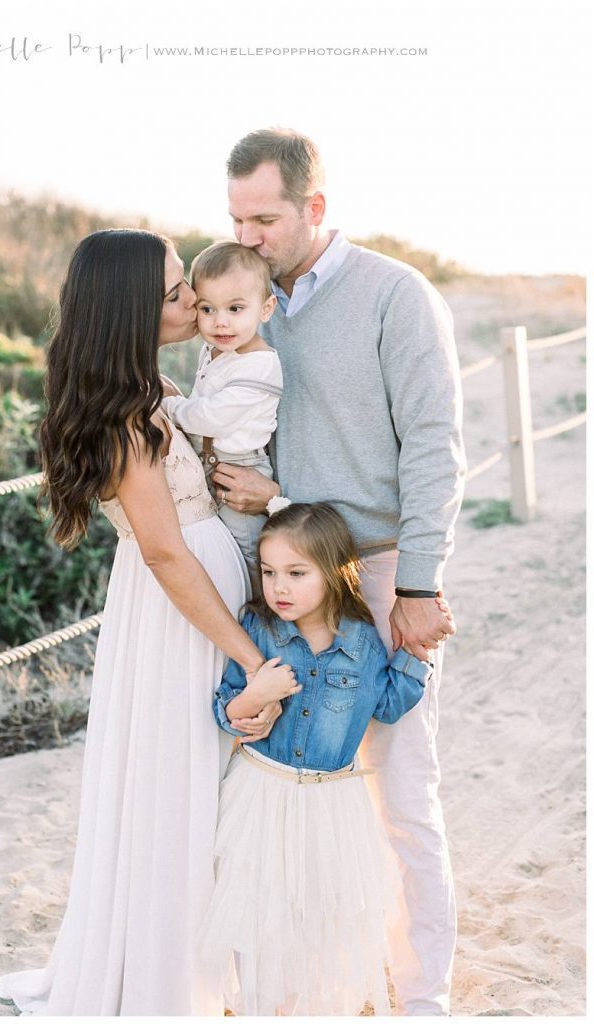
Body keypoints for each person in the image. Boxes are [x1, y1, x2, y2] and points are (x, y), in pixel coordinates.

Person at [0, 229, 292, 1016]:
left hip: (192, 599)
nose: (191, 301)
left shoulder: (152, 387)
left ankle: (201, 961)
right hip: (179, 618)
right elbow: (164, 553)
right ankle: (166, 980)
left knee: (200, 785)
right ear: (129, 309)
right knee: (178, 787)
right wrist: (248, 657)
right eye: (171, 293)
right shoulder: (127, 416)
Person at [211, 128, 466, 1016]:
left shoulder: (395, 295)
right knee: (280, 773)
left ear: (315, 208)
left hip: (382, 573)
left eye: (266, 218)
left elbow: (435, 446)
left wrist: (423, 585)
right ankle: (308, 977)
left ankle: (420, 995)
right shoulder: (247, 305)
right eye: (236, 217)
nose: (247, 236)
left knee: (400, 789)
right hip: (284, 580)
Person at [199, 501, 436, 1015]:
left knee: (322, 912)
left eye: (296, 573)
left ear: (332, 572)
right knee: (262, 906)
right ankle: (263, 1007)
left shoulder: (362, 641)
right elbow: (227, 712)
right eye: (268, 572)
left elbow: (388, 705)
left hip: (332, 804)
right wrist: (257, 691)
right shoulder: (257, 629)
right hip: (263, 791)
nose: (278, 587)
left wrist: (418, 651)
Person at [162, 240, 282, 587]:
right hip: (215, 466)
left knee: (246, 557)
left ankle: (254, 615)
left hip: (241, 468)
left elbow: (212, 417)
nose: (221, 323)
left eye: (235, 308)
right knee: (217, 554)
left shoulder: (259, 365)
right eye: (207, 309)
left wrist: (170, 406)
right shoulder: (217, 350)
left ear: (266, 308)